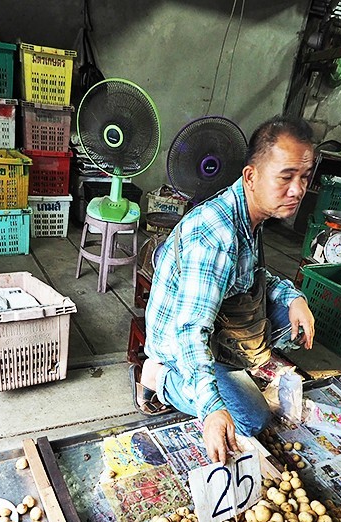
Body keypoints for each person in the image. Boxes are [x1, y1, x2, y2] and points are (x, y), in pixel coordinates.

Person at [130, 117, 317, 465]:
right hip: (180, 341)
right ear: (251, 176)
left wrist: (295, 299)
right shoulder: (216, 236)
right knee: (251, 419)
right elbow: (190, 332)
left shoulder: (252, 216)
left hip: (221, 321)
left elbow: (254, 278)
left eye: (304, 177)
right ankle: (159, 378)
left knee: (292, 318)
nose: (298, 190)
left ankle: (233, 374)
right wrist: (211, 409)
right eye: (286, 177)